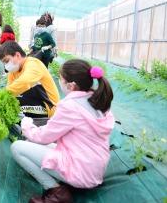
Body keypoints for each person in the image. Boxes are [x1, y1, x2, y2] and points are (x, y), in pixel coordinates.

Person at [11, 59, 114, 203]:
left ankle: (56, 192)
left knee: (18, 148)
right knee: (31, 143)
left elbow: (44, 137)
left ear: (71, 85)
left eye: (60, 79)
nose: (59, 82)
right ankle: (63, 183)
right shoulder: (97, 99)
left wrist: (26, 124)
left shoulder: (70, 106)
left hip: (81, 172)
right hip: (93, 169)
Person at [0, 41, 59, 126]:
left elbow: (24, 82)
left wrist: (2, 95)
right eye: (4, 63)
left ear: (18, 55)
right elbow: (10, 92)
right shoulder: (13, 72)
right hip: (34, 102)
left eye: (7, 61)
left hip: (49, 108)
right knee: (10, 105)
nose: (6, 66)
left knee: (17, 105)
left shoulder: (33, 64)